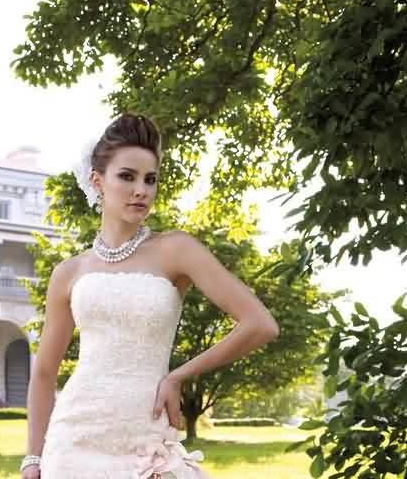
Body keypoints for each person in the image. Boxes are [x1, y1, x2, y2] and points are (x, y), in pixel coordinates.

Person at [21, 113, 280, 478]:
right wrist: (33, 457)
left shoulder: (176, 250)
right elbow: (45, 372)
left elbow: (260, 324)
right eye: (127, 176)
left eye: (150, 179)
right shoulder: (69, 273)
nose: (141, 190)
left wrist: (178, 376)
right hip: (73, 444)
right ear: (98, 181)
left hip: (146, 441)